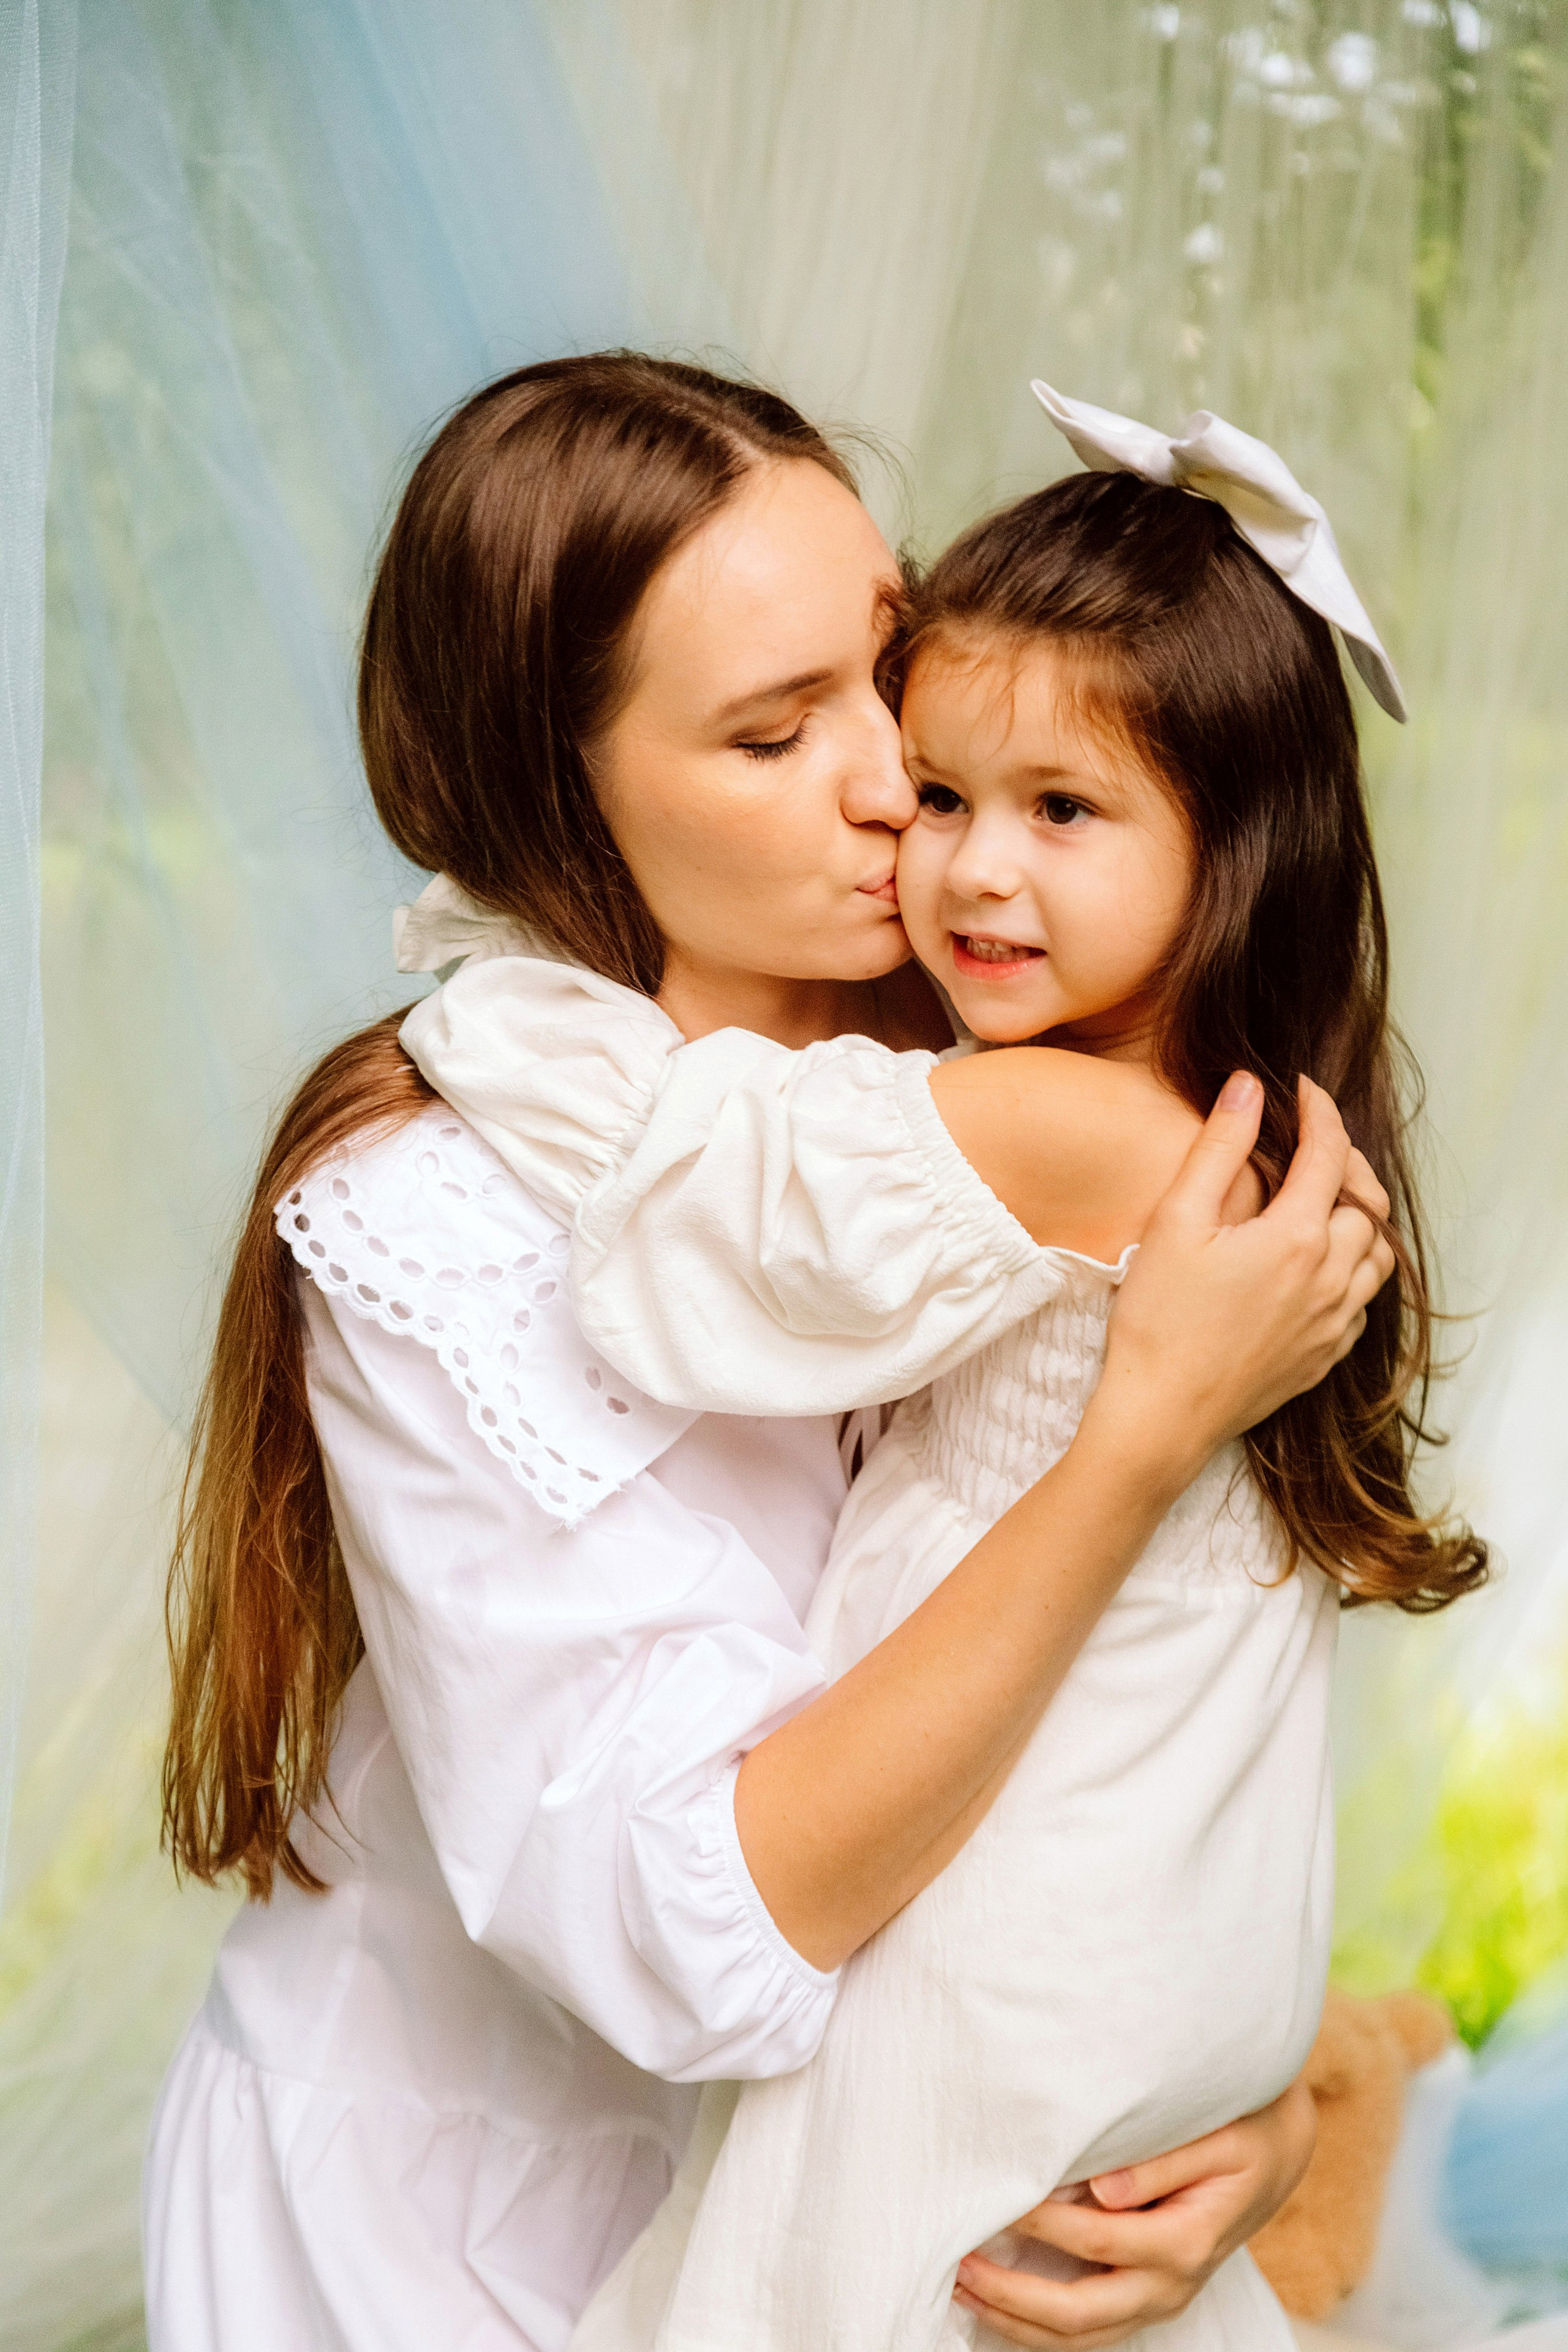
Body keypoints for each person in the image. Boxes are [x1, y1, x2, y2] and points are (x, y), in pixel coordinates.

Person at [147, 356, 1395, 2352]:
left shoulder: (978, 1038)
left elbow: (1170, 1716)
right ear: (561, 791)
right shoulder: (441, 1212)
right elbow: (692, 1941)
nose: (897, 784)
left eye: (882, 662)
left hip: (910, 2180)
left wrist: (1220, 2119)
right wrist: (1131, 1446)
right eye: (768, 729)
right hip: (478, 2229)